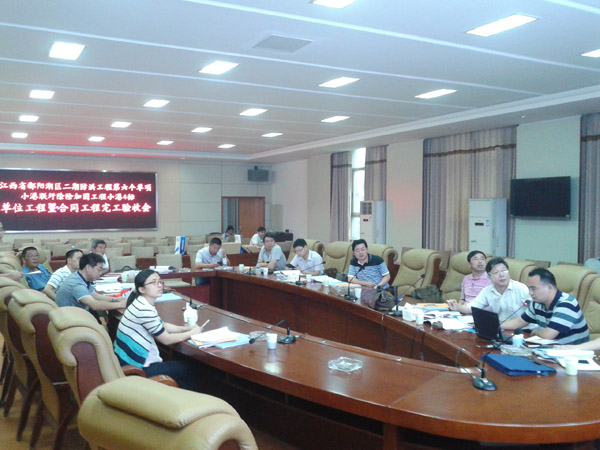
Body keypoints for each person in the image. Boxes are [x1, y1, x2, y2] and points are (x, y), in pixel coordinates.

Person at [113, 269, 204, 391]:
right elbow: (166, 339)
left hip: (128, 361)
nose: (159, 285)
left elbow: (161, 325)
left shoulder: (141, 303)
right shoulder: (144, 309)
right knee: (188, 369)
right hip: (138, 368)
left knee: (181, 365)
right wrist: (192, 333)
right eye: (153, 282)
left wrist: (186, 329)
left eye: (160, 281)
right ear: (142, 289)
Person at [502, 268, 589, 345]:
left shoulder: (566, 304)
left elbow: (547, 336)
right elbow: (520, 321)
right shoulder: (537, 302)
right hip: (551, 349)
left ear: (549, 287)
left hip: (573, 352)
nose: (530, 293)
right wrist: (498, 326)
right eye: (529, 288)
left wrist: (535, 331)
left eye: (533, 289)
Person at [447, 257, 531, 322]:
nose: (501, 275)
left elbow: (532, 311)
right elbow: (471, 307)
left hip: (523, 330)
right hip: (502, 329)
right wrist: (457, 307)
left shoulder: (521, 288)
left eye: (504, 271)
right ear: (489, 277)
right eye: (496, 272)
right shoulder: (487, 291)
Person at [56, 253, 126, 311]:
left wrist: (115, 299)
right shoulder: (76, 284)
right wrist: (120, 304)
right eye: (99, 270)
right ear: (88, 268)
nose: (100, 273)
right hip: (72, 319)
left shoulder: (80, 277)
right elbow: (95, 305)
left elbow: (94, 295)